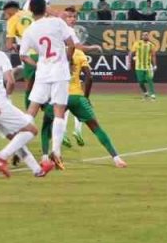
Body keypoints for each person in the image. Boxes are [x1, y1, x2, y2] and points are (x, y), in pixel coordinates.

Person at [38, 9, 126, 167]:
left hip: (58, 97)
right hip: (77, 96)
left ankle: (46, 156)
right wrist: (86, 97)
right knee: (96, 127)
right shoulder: (78, 53)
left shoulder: (53, 55)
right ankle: (116, 158)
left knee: (46, 125)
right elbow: (89, 76)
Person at [0, 27, 54, 178]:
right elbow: (11, 81)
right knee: (31, 130)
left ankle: (37, 170)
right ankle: (2, 156)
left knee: (17, 138)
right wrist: (7, 95)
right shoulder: (0, 55)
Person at [19, 0, 77, 170]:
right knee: (59, 110)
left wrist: (37, 64)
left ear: (31, 11)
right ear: (45, 8)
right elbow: (71, 44)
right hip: (59, 71)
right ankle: (56, 152)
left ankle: (17, 144)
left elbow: (23, 55)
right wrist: (66, 59)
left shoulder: (29, 30)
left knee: (32, 109)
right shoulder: (57, 23)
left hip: (43, 72)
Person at [3, 0, 38, 107]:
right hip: (43, 50)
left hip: (30, 54)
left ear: (9, 11)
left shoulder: (12, 20)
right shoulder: (30, 13)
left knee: (29, 85)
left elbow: (8, 45)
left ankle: (29, 112)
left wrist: (13, 46)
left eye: (5, 13)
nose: (5, 16)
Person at [128, 33, 159, 101]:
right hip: (139, 67)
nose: (145, 36)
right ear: (142, 36)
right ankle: (146, 93)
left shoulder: (151, 45)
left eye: (146, 35)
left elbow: (153, 56)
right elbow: (130, 53)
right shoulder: (137, 43)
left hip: (148, 66)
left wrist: (155, 65)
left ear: (148, 37)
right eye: (144, 35)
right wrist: (129, 63)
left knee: (149, 79)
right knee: (140, 82)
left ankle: (153, 95)